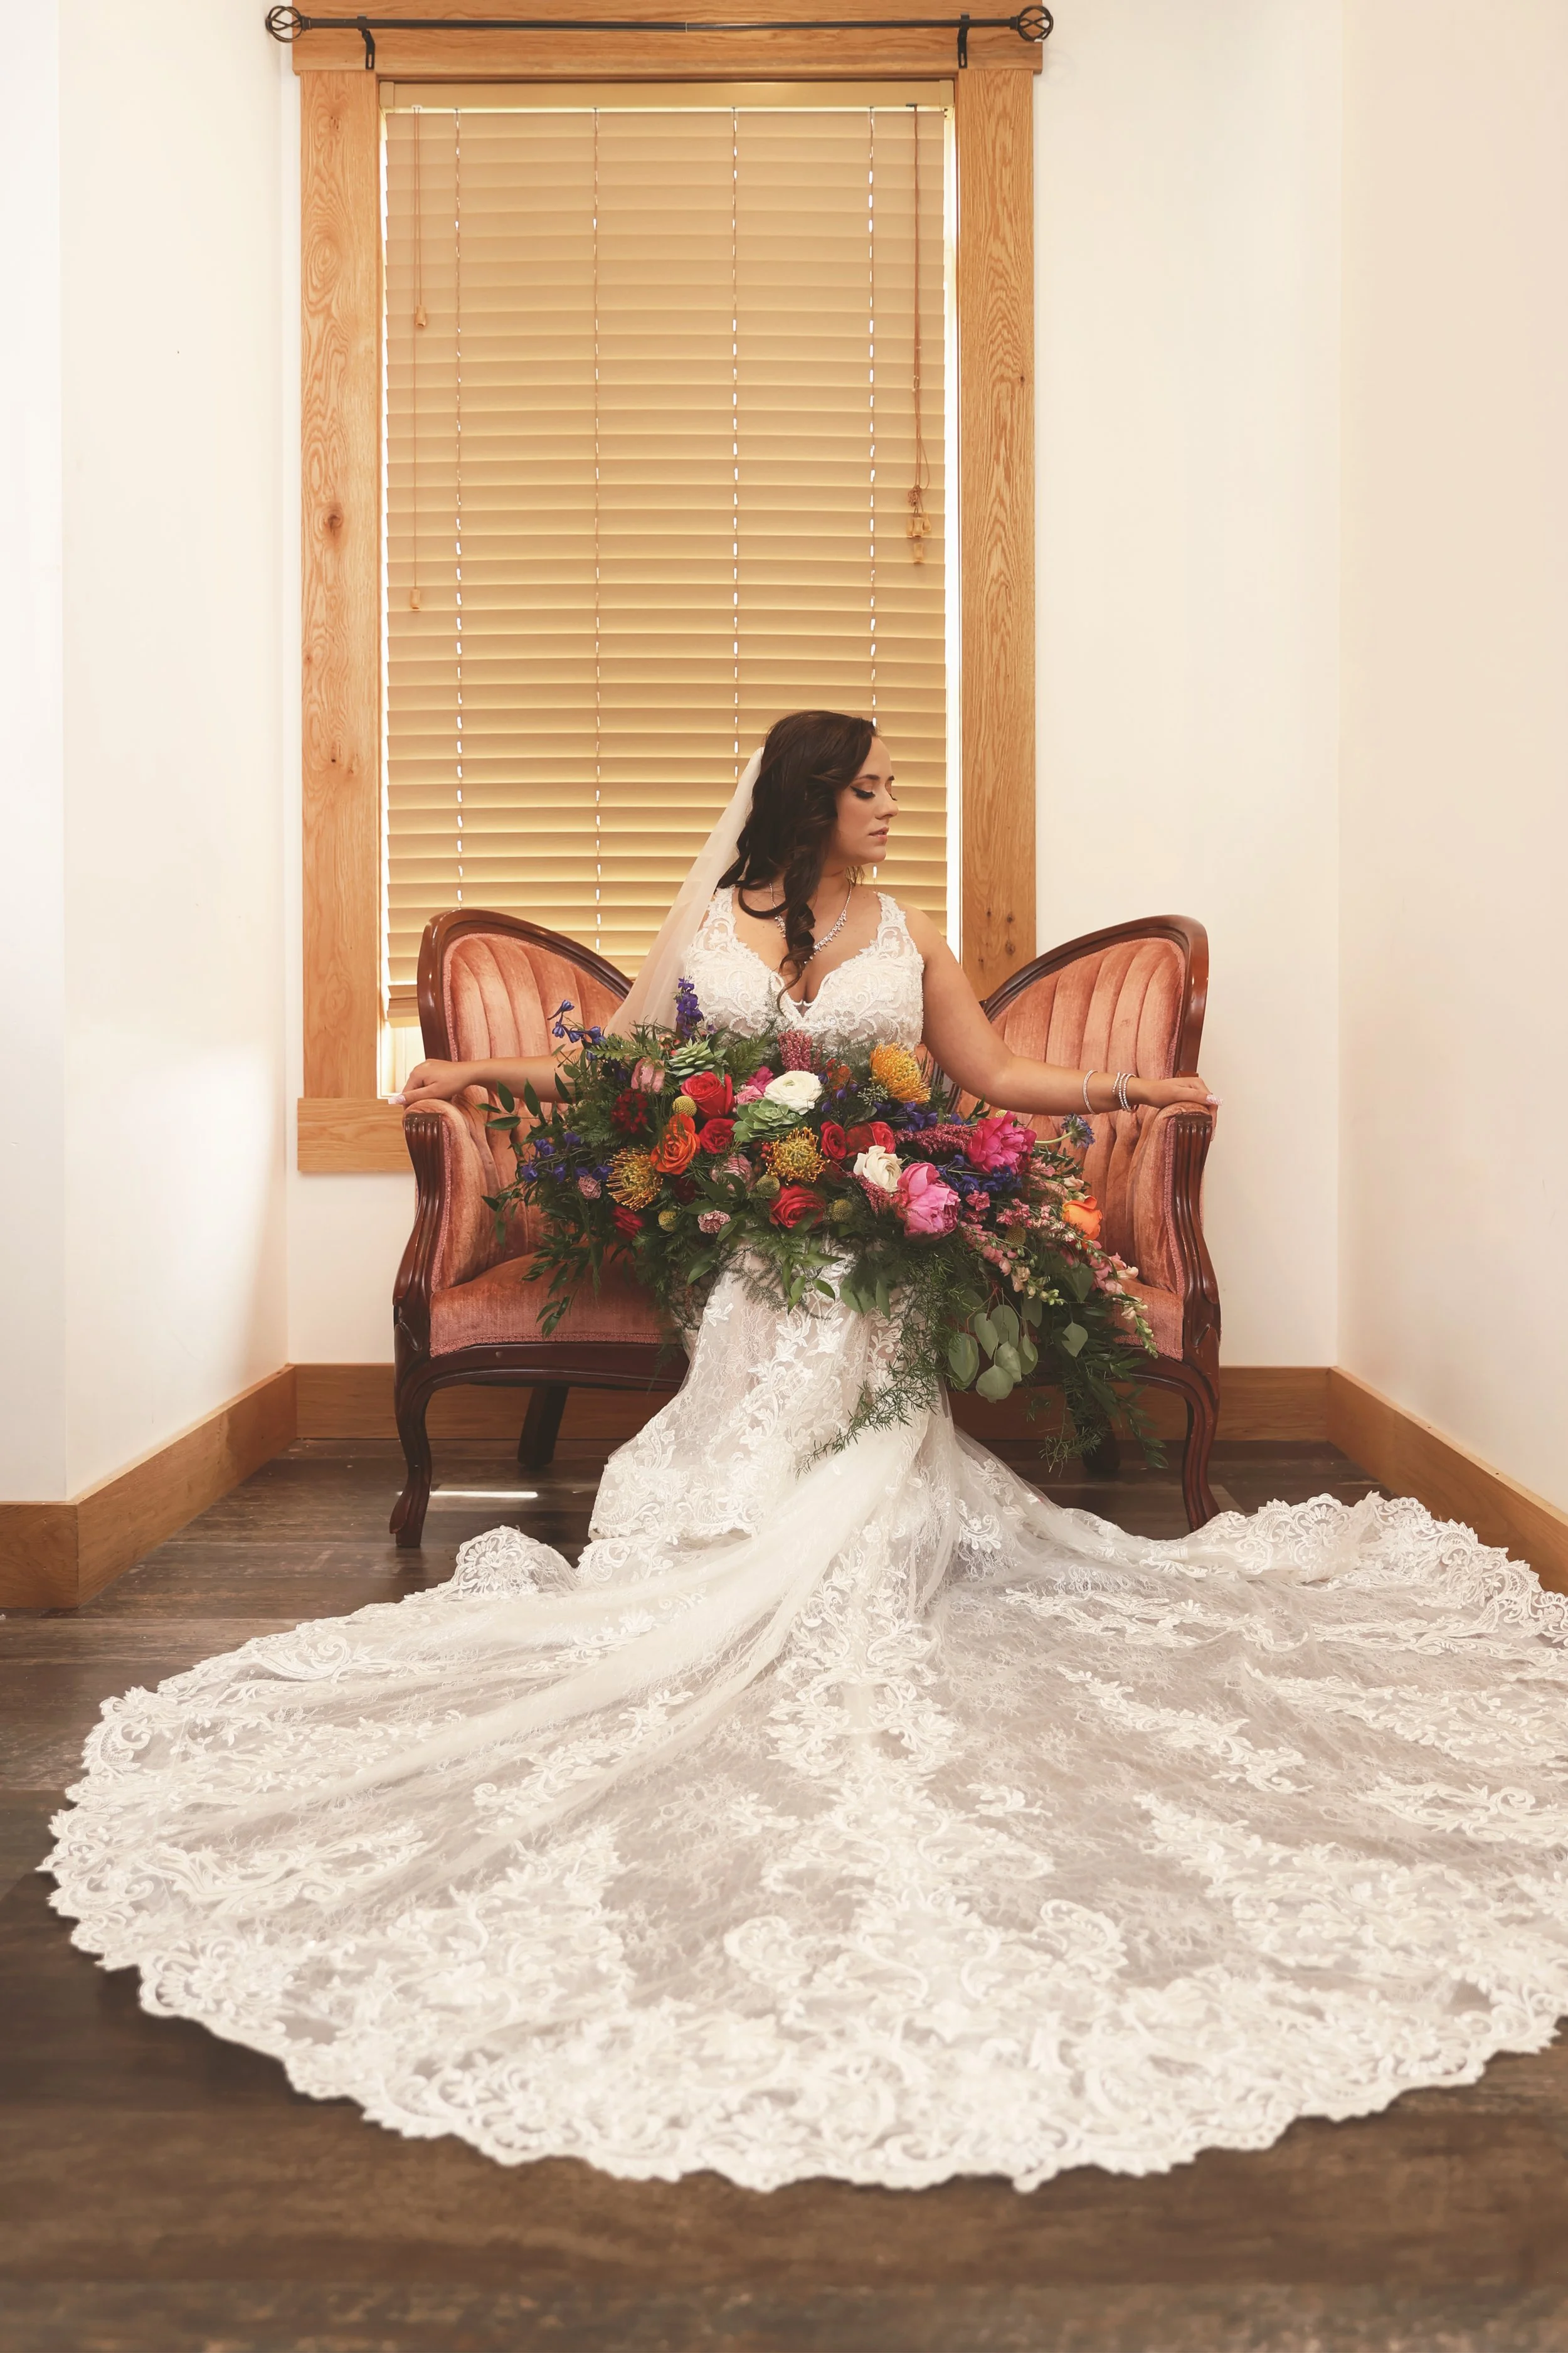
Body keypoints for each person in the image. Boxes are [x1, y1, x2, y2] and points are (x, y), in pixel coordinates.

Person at [48, 711, 1568, 2194]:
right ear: (808, 800)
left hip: (879, 1227)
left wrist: (1132, 1090)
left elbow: (989, 1079)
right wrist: (472, 1078)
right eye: (872, 789)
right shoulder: (709, 926)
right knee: (779, 1298)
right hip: (750, 1226)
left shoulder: (908, 933)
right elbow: (615, 1073)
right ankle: (742, 1515)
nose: (893, 807)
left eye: (895, 787)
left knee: (857, 1281)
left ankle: (834, 1521)